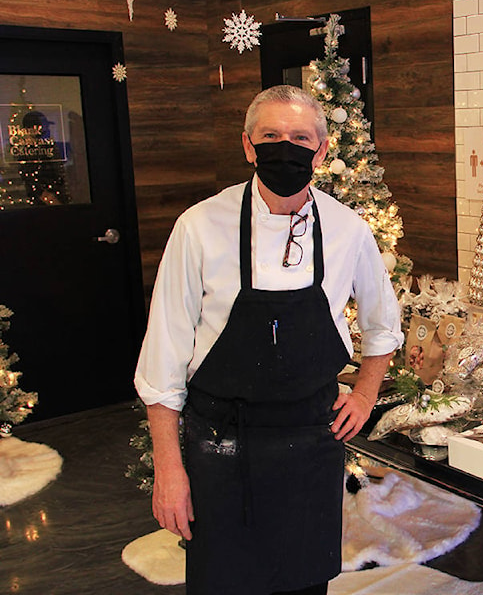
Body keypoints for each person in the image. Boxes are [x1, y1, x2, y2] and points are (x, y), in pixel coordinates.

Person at [133, 84, 403, 595]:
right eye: (271, 135)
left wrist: (365, 393)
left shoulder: (348, 230)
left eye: (300, 137)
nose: (286, 146)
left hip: (310, 445)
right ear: (248, 146)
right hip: (222, 446)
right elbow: (162, 363)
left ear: (322, 150)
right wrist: (169, 469)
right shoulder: (199, 227)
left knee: (304, 584)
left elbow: (383, 325)